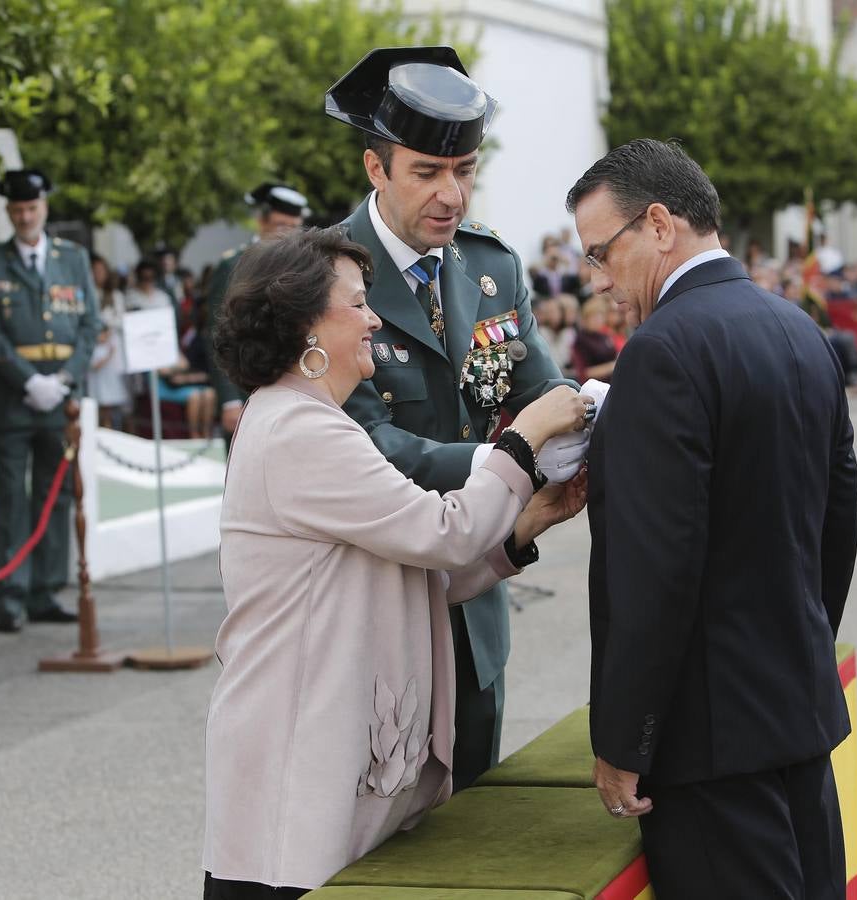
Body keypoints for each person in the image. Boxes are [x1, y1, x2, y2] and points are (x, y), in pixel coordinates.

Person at [204, 228, 590, 897]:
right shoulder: (298, 431)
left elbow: (415, 576)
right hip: (297, 777)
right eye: (358, 303)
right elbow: (442, 534)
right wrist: (524, 439)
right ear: (307, 329)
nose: (376, 319)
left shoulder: (309, 423)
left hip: (330, 760)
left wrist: (526, 524)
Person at [567, 139, 857, 899]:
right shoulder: (798, 329)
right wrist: (798, 647)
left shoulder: (661, 352)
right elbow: (837, 519)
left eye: (603, 252)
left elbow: (652, 570)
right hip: (795, 711)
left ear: (660, 225)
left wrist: (626, 740)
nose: (601, 281)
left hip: (711, 742)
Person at [325, 45, 585, 789]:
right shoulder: (325, 277)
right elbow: (359, 441)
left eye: (465, 172)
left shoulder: (490, 265)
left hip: (476, 611)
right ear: (377, 169)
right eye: (428, 173)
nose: (452, 195)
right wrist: (506, 459)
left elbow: (540, 387)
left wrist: (587, 414)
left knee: (476, 821)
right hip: (381, 599)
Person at [0, 169, 100, 632]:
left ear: (44, 208)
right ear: (9, 212)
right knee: (11, 496)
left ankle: (46, 589)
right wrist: (29, 381)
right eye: (17, 210)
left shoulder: (73, 258)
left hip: (61, 396)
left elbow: (89, 325)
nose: (25, 217)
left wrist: (65, 378)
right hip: (13, 397)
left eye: (32, 208)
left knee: (56, 493)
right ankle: (10, 593)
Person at [205, 182, 309, 439]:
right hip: (246, 390)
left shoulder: (303, 268)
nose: (288, 234)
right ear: (261, 222)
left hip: (294, 390)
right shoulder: (233, 265)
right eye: (281, 225)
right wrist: (229, 400)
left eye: (294, 227)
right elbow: (217, 335)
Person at [87, 255, 130, 430]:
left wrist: (107, 328)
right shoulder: (87, 294)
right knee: (95, 395)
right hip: (94, 347)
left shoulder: (115, 295)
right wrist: (96, 333)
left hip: (112, 348)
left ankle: (114, 428)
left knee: (113, 395)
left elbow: (121, 320)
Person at [571, 296, 618, 383]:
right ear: (586, 318)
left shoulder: (604, 336)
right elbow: (585, 373)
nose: (598, 320)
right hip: (594, 384)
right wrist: (613, 366)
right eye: (594, 317)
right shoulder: (581, 340)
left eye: (600, 317)